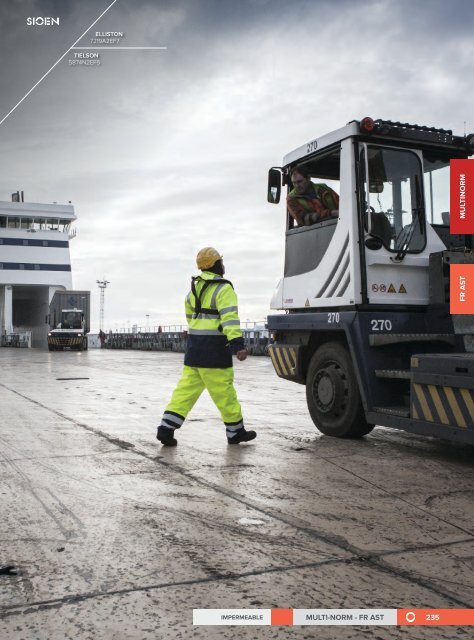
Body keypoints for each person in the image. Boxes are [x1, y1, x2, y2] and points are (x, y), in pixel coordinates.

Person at [156, 247, 256, 447]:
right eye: (221, 261)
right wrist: (238, 345)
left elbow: (190, 318)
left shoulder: (193, 290)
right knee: (225, 393)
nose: (223, 265)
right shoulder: (224, 289)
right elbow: (229, 318)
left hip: (194, 349)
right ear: (215, 264)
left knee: (184, 392)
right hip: (215, 351)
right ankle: (235, 432)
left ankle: (166, 428)